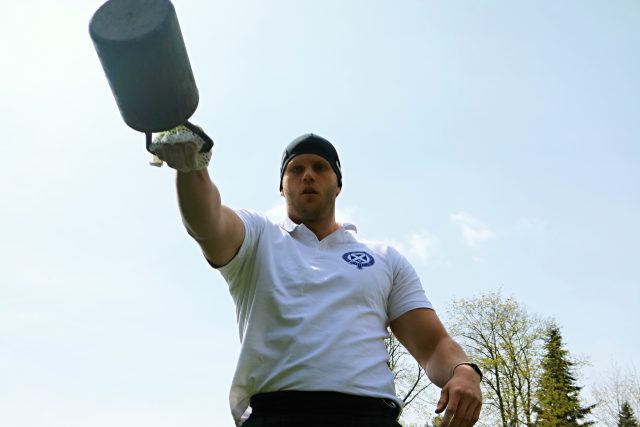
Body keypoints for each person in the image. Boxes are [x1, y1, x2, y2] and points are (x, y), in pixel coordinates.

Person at [151, 130, 483, 426]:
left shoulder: (384, 258)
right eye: (296, 169)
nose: (308, 175)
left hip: (370, 417)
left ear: (338, 184)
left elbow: (433, 344)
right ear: (281, 187)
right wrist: (192, 167)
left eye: (320, 168)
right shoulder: (257, 236)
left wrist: (463, 371)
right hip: (277, 414)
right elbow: (207, 223)